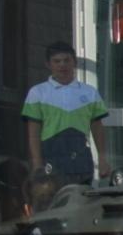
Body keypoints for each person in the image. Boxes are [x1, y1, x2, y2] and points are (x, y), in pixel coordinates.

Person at [22, 43, 108, 186]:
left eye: (67, 60)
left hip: (81, 159)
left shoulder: (89, 92)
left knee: (82, 203)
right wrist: (37, 164)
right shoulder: (37, 93)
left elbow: (97, 128)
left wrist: (103, 160)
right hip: (51, 156)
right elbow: (33, 134)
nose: (62, 65)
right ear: (48, 64)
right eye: (57, 61)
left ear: (74, 62)